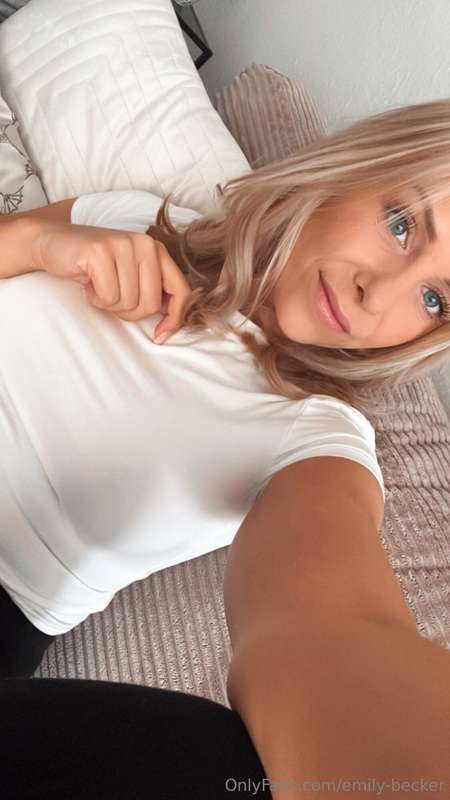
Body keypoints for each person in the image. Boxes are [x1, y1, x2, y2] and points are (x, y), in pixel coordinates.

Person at [1, 97, 450, 795]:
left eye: (435, 300)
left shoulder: (319, 438)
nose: (378, 293)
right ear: (351, 170)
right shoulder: (132, 215)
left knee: (220, 766)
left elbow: (335, 627)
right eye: (401, 225)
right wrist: (36, 243)